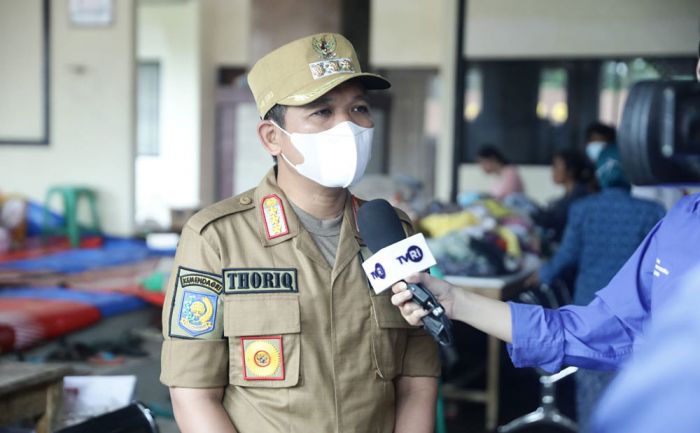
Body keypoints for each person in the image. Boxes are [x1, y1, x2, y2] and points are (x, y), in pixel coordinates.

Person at [161, 33, 440, 433]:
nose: (348, 125)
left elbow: (417, 380)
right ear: (272, 137)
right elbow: (192, 392)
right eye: (322, 112)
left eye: (358, 108)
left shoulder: (389, 232)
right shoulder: (217, 238)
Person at [526, 146, 665, 433]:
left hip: (590, 309)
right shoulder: (652, 212)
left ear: (599, 175)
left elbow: (566, 256)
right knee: (632, 386)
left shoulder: (583, 209)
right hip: (637, 312)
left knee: (590, 383)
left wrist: (542, 274)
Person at [532, 148, 593, 246]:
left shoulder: (578, 198)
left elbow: (556, 220)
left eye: (556, 166)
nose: (553, 171)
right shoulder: (571, 195)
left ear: (570, 170)